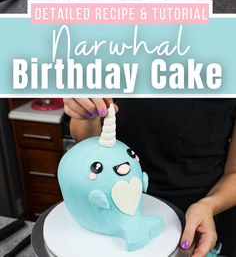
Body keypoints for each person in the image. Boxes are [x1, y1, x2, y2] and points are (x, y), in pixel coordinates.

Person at [64, 97, 236, 257]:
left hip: (194, 219)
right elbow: (83, 135)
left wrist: (209, 205)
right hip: (103, 216)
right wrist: (87, 114)